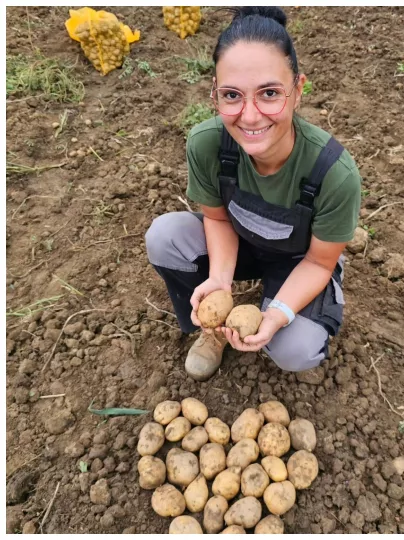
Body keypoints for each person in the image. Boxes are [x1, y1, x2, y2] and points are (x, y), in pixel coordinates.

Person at [144, 7, 361, 381]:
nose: (250, 116)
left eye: (270, 93)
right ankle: (212, 333)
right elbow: (216, 217)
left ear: (298, 90)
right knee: (164, 237)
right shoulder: (207, 144)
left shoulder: (333, 174)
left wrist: (276, 313)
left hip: (301, 260)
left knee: (296, 348)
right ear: (215, 94)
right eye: (232, 95)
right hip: (242, 242)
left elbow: (319, 263)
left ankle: (274, 304)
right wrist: (220, 280)